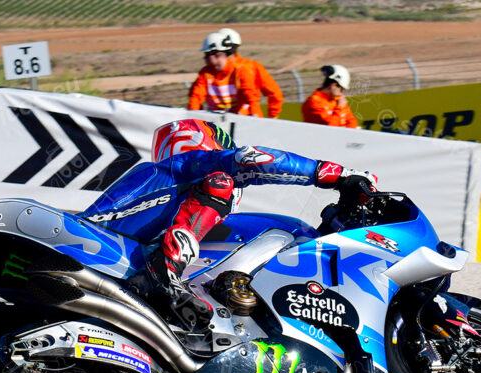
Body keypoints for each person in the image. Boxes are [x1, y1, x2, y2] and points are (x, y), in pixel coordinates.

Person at [81, 119, 377, 332]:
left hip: (117, 266)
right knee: (220, 183)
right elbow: (251, 159)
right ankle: (165, 273)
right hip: (100, 249)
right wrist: (335, 174)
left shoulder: (163, 194)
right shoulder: (184, 167)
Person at [187, 32, 264, 117]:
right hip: (216, 120)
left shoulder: (240, 70)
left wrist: (254, 115)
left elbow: (251, 96)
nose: (205, 58)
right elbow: (196, 96)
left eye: (207, 55)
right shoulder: (205, 73)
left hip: (242, 119)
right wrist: (192, 116)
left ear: (217, 54)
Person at [216, 27, 283, 119]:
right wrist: (272, 118)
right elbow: (275, 94)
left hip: (231, 121)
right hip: (251, 120)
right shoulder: (253, 66)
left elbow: (275, 93)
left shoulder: (210, 73)